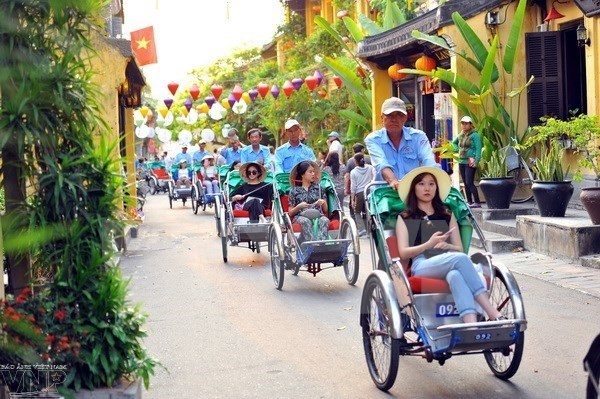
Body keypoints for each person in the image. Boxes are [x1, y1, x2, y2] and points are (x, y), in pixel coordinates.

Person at [395, 166, 503, 323]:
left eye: (432, 184)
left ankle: (470, 325)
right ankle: (492, 312)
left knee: (455, 275)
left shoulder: (446, 214)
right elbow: (403, 252)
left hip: (448, 260)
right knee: (460, 259)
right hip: (421, 264)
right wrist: (428, 244)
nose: (427, 188)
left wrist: (447, 246)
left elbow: (458, 248)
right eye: (422, 184)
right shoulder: (405, 217)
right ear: (414, 188)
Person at [365, 97, 438, 189]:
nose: (394, 119)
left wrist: (434, 179)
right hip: (384, 192)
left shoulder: (418, 136)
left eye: (399, 115)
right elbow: (381, 163)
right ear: (382, 118)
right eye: (390, 115)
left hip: (413, 191)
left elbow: (428, 160)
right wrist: (393, 181)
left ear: (405, 118)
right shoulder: (373, 139)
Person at [288, 160, 329, 242]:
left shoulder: (319, 188)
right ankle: (310, 246)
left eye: (314, 171)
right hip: (300, 216)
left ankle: (321, 244)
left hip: (317, 215)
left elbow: (325, 209)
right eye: (310, 172)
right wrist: (299, 206)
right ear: (302, 174)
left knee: (325, 220)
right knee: (305, 221)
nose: (313, 174)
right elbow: (290, 212)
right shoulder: (294, 191)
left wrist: (323, 202)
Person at [452, 116, 482, 208]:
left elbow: (478, 149)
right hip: (461, 161)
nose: (464, 126)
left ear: (470, 124)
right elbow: (454, 143)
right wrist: (459, 149)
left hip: (470, 162)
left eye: (466, 124)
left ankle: (477, 202)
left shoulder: (475, 135)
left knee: (469, 182)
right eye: (462, 123)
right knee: (465, 182)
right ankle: (469, 201)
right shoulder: (460, 135)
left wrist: (476, 161)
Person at [350, 153, 376, 236]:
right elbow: (374, 176)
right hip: (369, 190)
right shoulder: (370, 167)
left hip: (360, 193)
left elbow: (353, 186)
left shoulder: (353, 172)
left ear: (355, 161)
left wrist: (352, 199)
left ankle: (362, 229)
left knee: (357, 211)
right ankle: (371, 229)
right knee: (369, 210)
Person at [344, 143, 371, 218]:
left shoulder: (350, 161)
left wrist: (346, 188)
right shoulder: (369, 159)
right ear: (362, 150)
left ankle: (357, 225)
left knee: (355, 209)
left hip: (357, 191)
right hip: (369, 188)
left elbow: (347, 176)